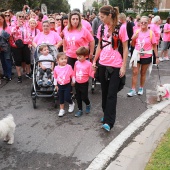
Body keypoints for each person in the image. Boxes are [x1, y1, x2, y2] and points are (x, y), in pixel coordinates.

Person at [92, 5, 128, 131]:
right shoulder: (101, 28)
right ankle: (106, 114)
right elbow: (99, 46)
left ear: (109, 15)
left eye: (102, 17)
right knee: (104, 92)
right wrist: (94, 61)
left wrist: (124, 65)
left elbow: (125, 48)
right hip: (103, 63)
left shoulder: (121, 28)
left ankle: (109, 122)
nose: (100, 19)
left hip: (116, 65)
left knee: (112, 94)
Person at [127, 16, 159, 97]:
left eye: (145, 22)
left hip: (147, 55)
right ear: (139, 23)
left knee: (143, 73)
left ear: (148, 23)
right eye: (142, 22)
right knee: (135, 72)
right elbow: (132, 45)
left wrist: (157, 57)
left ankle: (141, 88)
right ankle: (133, 89)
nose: (143, 24)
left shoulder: (151, 33)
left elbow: (154, 46)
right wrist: (133, 39)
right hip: (137, 55)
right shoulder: (137, 32)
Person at [10, 11, 32, 83]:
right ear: (17, 17)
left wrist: (29, 42)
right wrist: (17, 26)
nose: (21, 18)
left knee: (27, 59)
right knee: (18, 60)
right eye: (20, 16)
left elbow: (29, 34)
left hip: (25, 44)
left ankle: (28, 73)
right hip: (17, 44)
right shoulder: (13, 24)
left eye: (23, 17)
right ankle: (19, 76)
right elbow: (11, 32)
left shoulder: (26, 24)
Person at [74, 47, 95, 117]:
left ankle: (88, 104)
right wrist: (73, 80)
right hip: (77, 82)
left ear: (85, 56)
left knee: (84, 97)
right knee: (78, 97)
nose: (78, 58)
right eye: (77, 56)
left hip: (84, 83)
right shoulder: (76, 63)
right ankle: (80, 110)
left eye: (80, 57)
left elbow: (91, 74)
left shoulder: (89, 64)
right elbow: (74, 72)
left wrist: (94, 71)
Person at [53, 52, 75, 117]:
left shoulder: (69, 67)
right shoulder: (56, 68)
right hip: (60, 85)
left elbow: (72, 74)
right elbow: (55, 76)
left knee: (67, 97)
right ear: (58, 61)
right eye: (62, 59)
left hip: (67, 85)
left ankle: (71, 103)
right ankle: (62, 109)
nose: (64, 60)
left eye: (65, 58)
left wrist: (73, 81)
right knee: (61, 98)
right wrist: (55, 85)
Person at [0, 12, 12, 81]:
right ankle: (5, 74)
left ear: (3, 19)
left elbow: (10, 37)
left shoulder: (6, 27)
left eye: (0, 19)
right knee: (3, 61)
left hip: (6, 47)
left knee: (7, 60)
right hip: (0, 47)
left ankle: (9, 75)